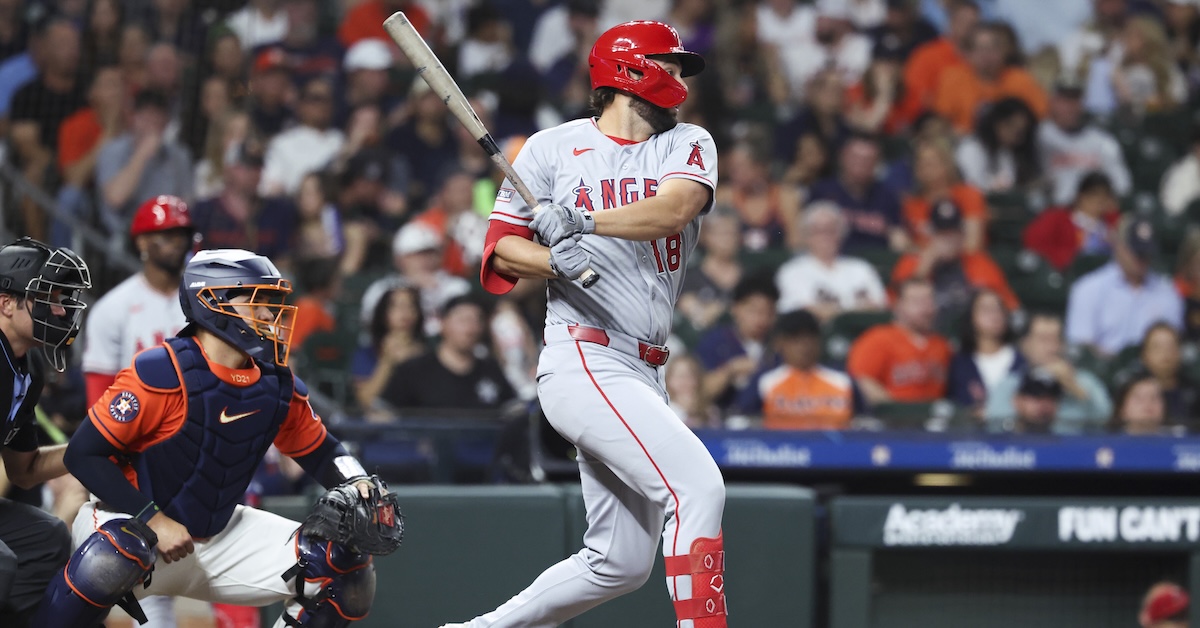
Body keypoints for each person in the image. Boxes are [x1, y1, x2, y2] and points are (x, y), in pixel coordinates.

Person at [445, 21, 727, 628]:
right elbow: (498, 251)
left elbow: (673, 209)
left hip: (643, 366)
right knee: (697, 488)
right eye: (669, 65)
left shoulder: (687, 142)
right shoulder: (550, 148)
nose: (679, 78)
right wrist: (552, 259)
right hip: (584, 357)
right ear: (627, 72)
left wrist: (584, 223)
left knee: (620, 563)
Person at [32, 249, 391, 626]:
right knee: (110, 556)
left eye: (270, 304)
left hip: (216, 536)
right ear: (212, 301)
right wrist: (153, 519)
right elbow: (82, 455)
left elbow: (322, 450)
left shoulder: (275, 383)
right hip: (133, 529)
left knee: (345, 569)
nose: (269, 314)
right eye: (256, 301)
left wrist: (357, 480)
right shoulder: (161, 372)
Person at [0, 238, 90, 628]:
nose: (60, 309)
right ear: (5, 303)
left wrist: (95, 446)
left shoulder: (29, 367)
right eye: (47, 297)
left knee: (47, 536)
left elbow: (24, 470)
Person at [82, 195, 193, 402]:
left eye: (182, 234)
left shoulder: (204, 301)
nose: (178, 243)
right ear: (142, 242)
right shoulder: (111, 309)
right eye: (167, 235)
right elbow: (99, 395)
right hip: (138, 423)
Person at [891, 200, 1019, 329]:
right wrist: (923, 268)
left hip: (970, 335)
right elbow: (893, 307)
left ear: (963, 235)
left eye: (953, 233)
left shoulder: (980, 263)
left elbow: (1009, 306)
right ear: (930, 235)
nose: (948, 240)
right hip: (928, 334)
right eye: (941, 234)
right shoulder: (910, 262)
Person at [1066, 216, 1184, 356]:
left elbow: (1174, 343)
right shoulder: (1088, 288)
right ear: (1119, 246)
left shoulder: (1167, 292)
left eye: (1146, 252)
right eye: (1136, 251)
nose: (1141, 258)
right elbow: (1081, 344)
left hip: (1152, 372)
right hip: (1102, 370)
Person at [380, 295, 516, 411]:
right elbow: (384, 414)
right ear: (443, 323)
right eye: (462, 320)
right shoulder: (413, 370)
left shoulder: (491, 369)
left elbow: (512, 411)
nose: (470, 329)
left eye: (476, 320)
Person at [985, 312, 1112, 434]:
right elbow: (996, 427)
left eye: (1056, 339)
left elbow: (1106, 420)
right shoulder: (1010, 384)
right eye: (1043, 339)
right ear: (1025, 345)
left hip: (1074, 452)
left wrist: (1073, 385)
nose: (1052, 347)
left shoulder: (1085, 381)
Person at [736, 308, 862, 430]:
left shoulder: (842, 380)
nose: (805, 345)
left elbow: (868, 424)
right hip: (782, 449)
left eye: (810, 337)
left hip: (836, 449)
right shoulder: (765, 381)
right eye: (796, 339)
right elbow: (740, 423)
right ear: (780, 342)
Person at [95, 90, 194, 236]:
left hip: (166, 231)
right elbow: (115, 198)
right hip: (122, 235)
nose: (152, 126)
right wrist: (142, 153)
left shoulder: (179, 156)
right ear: (133, 118)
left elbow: (186, 204)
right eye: (146, 118)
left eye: (157, 119)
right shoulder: (113, 151)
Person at [774, 200, 887, 322]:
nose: (825, 236)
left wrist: (830, 311)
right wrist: (855, 309)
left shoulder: (861, 268)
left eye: (831, 229)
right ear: (806, 236)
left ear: (842, 233)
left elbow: (878, 308)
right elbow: (802, 312)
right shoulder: (792, 271)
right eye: (817, 230)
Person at [847, 277, 952, 404]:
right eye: (917, 302)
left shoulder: (942, 345)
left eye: (929, 300)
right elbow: (861, 380)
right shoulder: (878, 338)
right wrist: (894, 409)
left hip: (936, 419)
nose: (926, 309)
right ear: (898, 305)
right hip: (892, 419)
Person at [359, 222, 472, 338]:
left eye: (430, 253)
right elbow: (372, 323)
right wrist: (412, 287)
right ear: (399, 259)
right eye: (417, 254)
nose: (425, 260)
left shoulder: (457, 286)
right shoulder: (383, 288)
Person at [932, 22, 1047, 134]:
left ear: (1003, 52)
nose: (986, 55)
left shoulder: (1020, 79)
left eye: (992, 49)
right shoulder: (953, 77)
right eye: (981, 49)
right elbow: (940, 121)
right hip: (961, 142)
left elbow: (1042, 119)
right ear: (969, 55)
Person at [1038, 75, 1130, 207]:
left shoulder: (1102, 141)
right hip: (1052, 210)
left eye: (1075, 99)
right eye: (1065, 100)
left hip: (1090, 215)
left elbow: (1121, 187)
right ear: (1052, 102)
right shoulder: (1040, 135)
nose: (1071, 107)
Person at [807, 133, 906, 252]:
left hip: (876, 264)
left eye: (867, 159)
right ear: (842, 157)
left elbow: (899, 236)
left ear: (876, 163)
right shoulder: (821, 191)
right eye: (855, 157)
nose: (861, 164)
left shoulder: (888, 196)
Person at [695, 276, 780, 408]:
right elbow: (699, 394)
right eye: (754, 311)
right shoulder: (715, 342)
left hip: (767, 422)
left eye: (768, 312)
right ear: (735, 308)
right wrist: (730, 371)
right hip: (722, 420)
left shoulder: (780, 345)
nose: (761, 318)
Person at [259, 77, 344, 197]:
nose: (323, 105)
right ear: (301, 104)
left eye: (327, 99)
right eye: (316, 99)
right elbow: (269, 187)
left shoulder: (340, 139)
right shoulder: (282, 143)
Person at [1023, 170, 1120, 271]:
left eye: (1105, 196)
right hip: (1071, 273)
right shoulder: (1058, 217)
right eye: (1093, 194)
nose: (1099, 200)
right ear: (1080, 195)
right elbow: (1032, 242)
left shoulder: (1110, 222)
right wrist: (1069, 258)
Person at [903, 137, 988, 252]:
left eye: (931, 163)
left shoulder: (969, 194)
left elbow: (973, 245)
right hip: (925, 264)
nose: (926, 169)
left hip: (965, 263)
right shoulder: (911, 205)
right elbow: (907, 246)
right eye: (921, 164)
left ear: (947, 165)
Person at [947, 288, 1023, 411]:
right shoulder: (960, 363)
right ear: (972, 317)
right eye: (986, 310)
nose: (994, 315)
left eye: (999, 309)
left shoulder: (1022, 361)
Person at [954, 96, 1040, 194]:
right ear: (1000, 124)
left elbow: (1009, 185)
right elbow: (972, 186)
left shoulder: (1005, 153)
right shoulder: (971, 148)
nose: (1020, 140)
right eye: (1018, 133)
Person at [1006, 367, 1064, 434]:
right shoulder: (998, 441)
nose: (1045, 404)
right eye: (1037, 397)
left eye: (1052, 398)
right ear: (1017, 401)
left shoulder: (1070, 441)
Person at [1110, 370, 1168, 435]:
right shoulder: (1107, 441)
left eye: (1154, 398)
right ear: (1122, 408)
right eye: (1139, 398)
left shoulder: (1176, 438)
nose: (1148, 403)